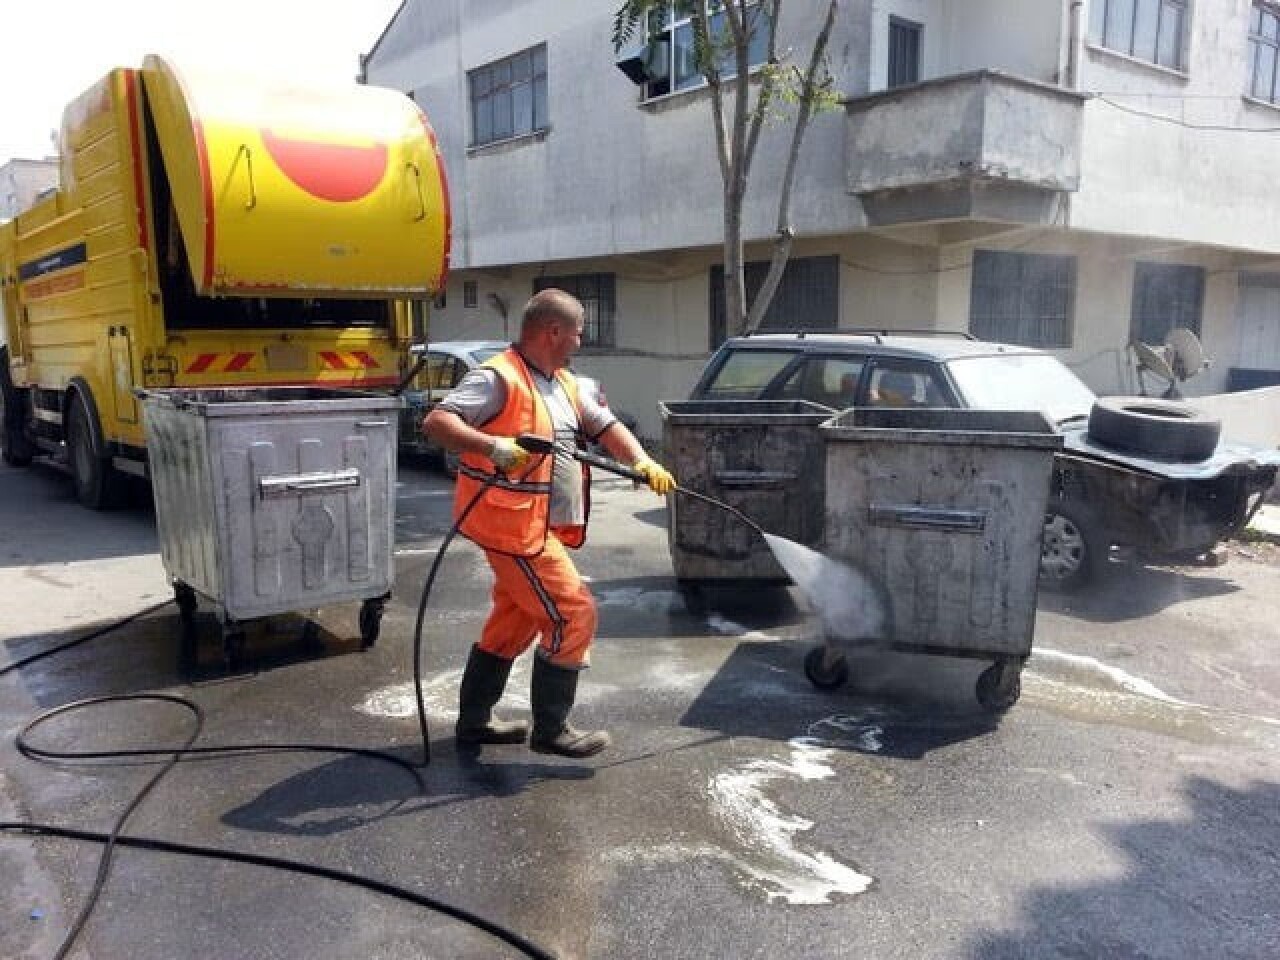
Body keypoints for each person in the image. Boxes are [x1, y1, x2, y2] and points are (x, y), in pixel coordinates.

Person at [422, 288, 675, 758]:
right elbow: (437, 422)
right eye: (578, 332)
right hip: (513, 530)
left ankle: (474, 722)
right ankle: (552, 729)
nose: (580, 340)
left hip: (537, 528)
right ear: (552, 331)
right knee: (573, 612)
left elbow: (605, 425)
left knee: (513, 622)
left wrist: (643, 462)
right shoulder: (497, 378)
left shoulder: (563, 381)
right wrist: (495, 448)